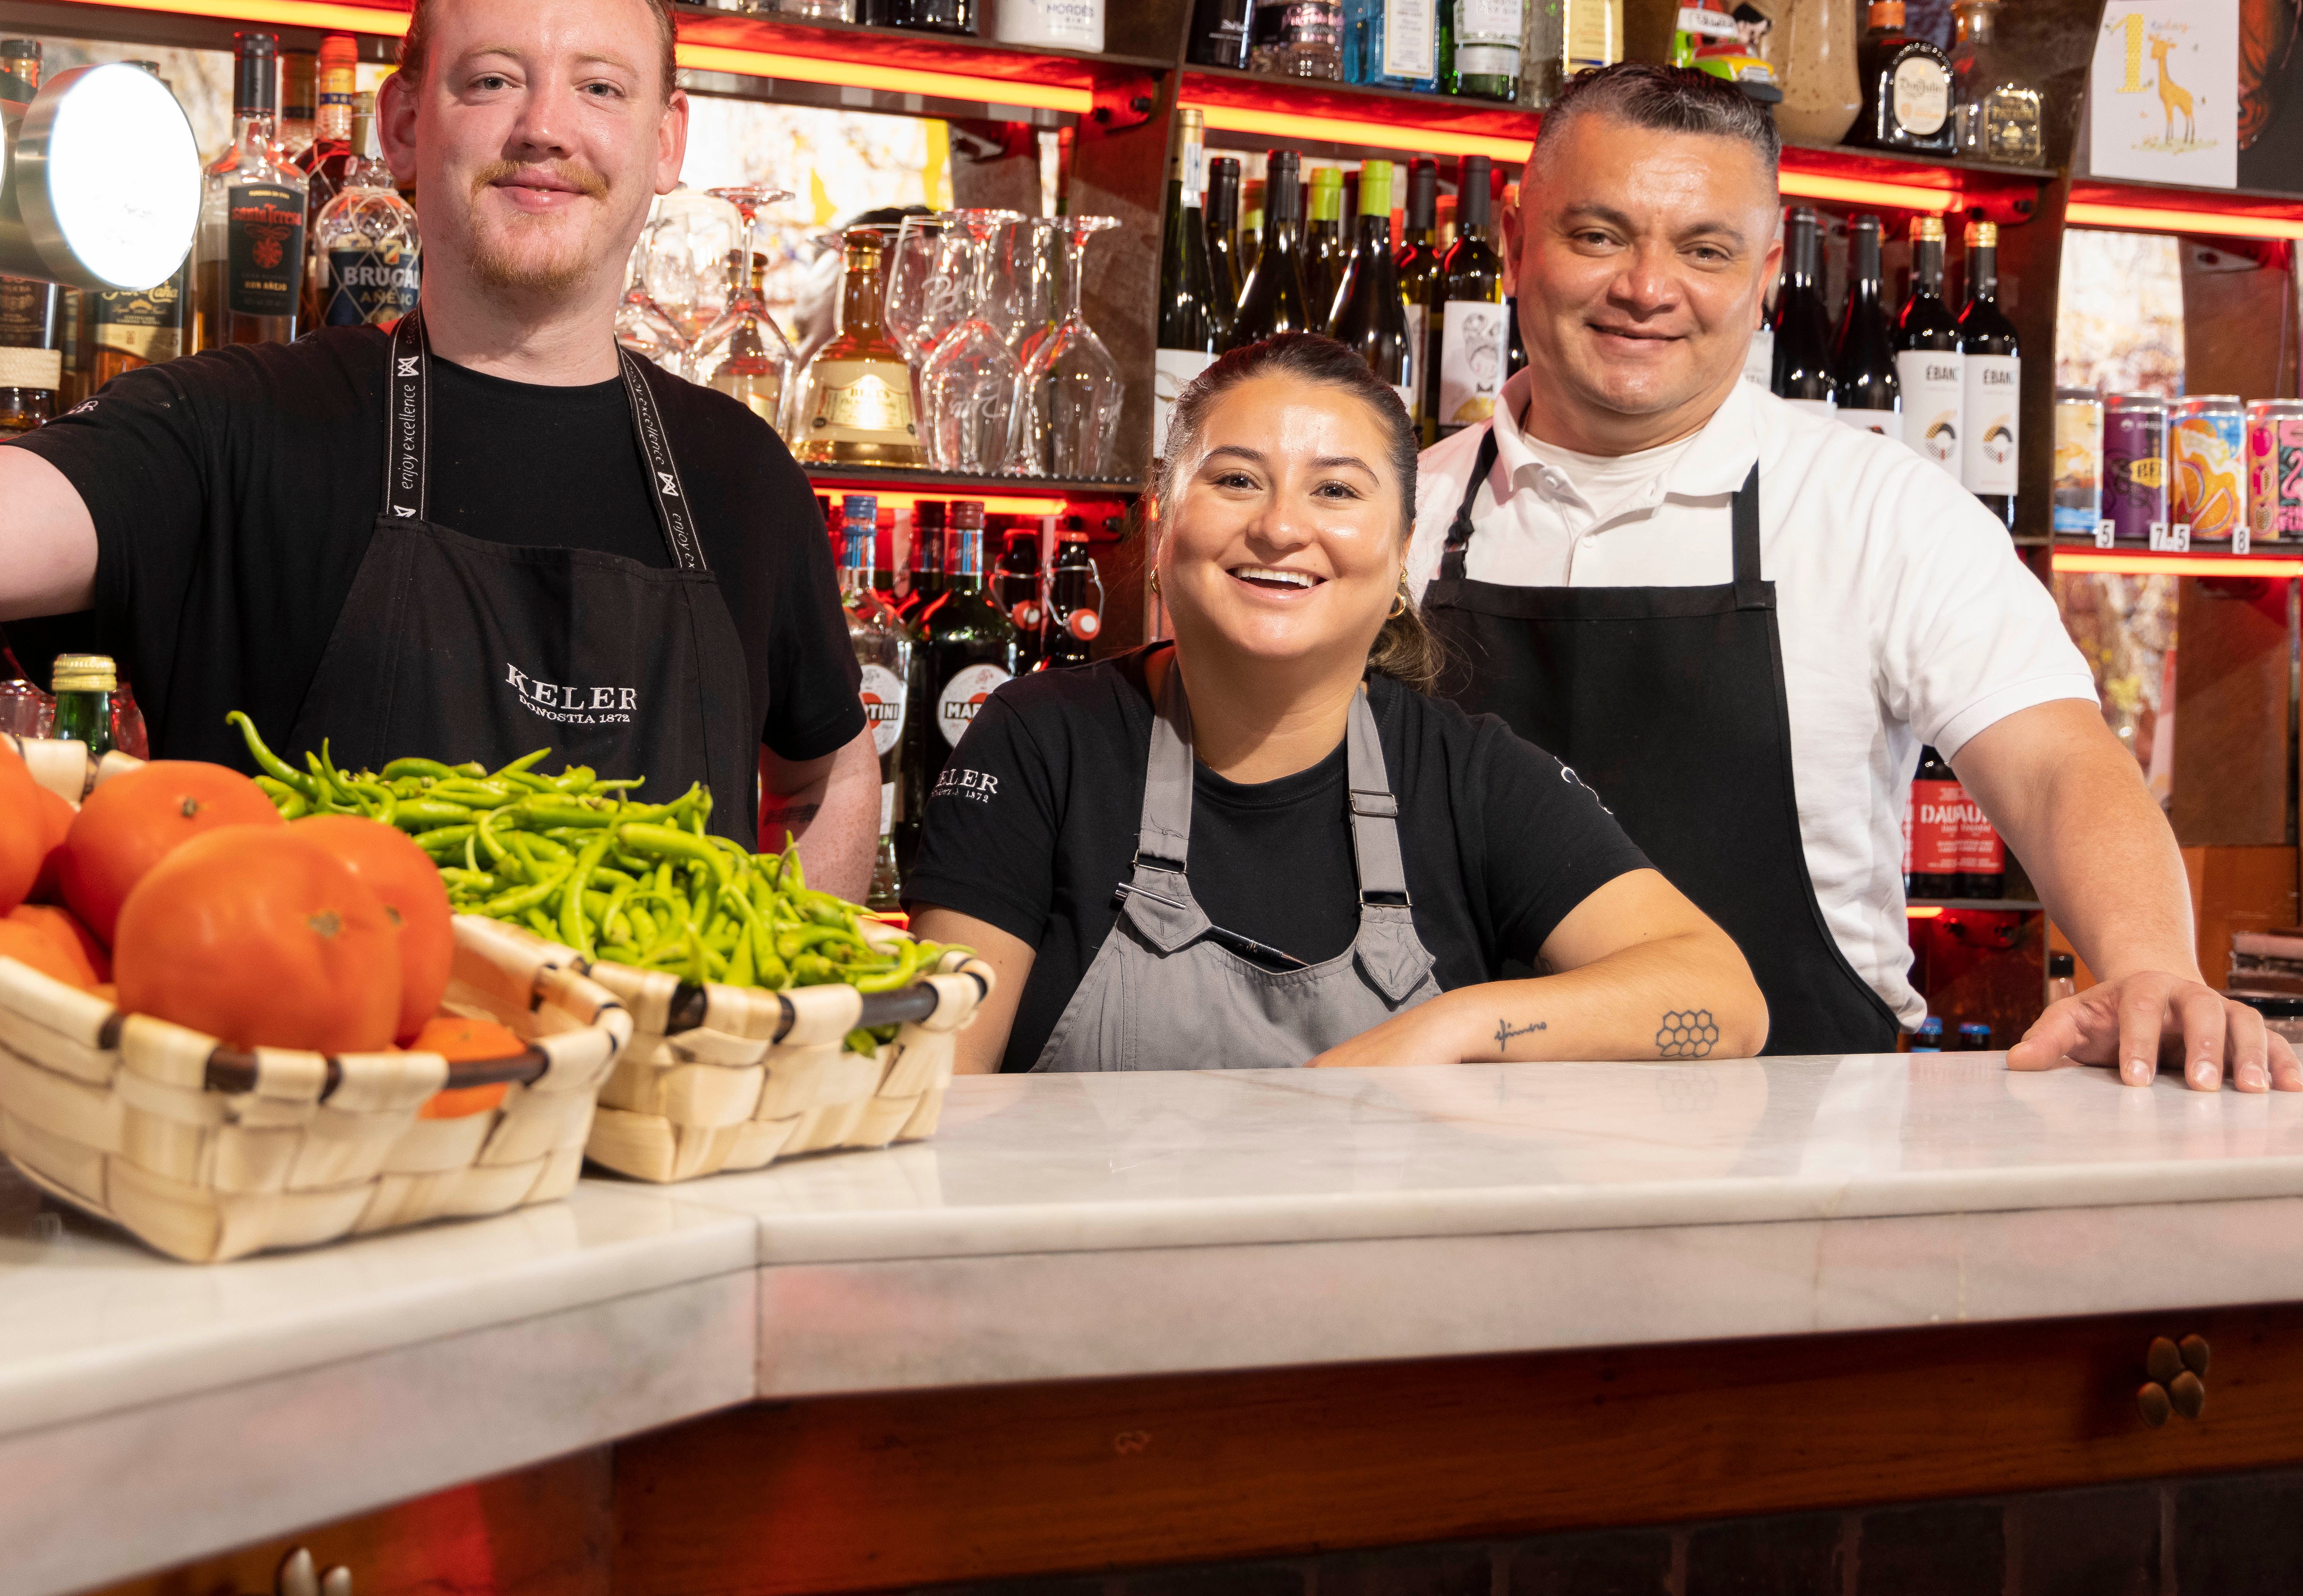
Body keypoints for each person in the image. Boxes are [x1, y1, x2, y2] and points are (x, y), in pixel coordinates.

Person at [0, 0, 873, 888]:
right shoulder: (237, 429)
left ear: (666, 142)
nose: (544, 127)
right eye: (493, 80)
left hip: (657, 1043)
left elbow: (828, 771)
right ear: (402, 127)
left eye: (600, 87)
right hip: (316, 1019)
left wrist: (771, 1012)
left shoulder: (743, 475)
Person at [1417, 62, 2299, 1091]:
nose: (1648, 290)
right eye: (1598, 236)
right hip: (1443, 1139)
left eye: (1705, 251)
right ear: (1516, 240)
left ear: (1764, 273)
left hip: (1798, 1152)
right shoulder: (1397, 513)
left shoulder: (1883, 511)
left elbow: (2061, 764)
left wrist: (2153, 969)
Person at [908, 335, 1767, 1074]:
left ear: (1401, 551)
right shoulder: (1038, 740)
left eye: (1336, 491)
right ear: (1163, 519)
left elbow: (1724, 1001)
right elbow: (939, 1079)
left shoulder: (1463, 775)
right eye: (1237, 479)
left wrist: (1457, 1029)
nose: (1282, 526)